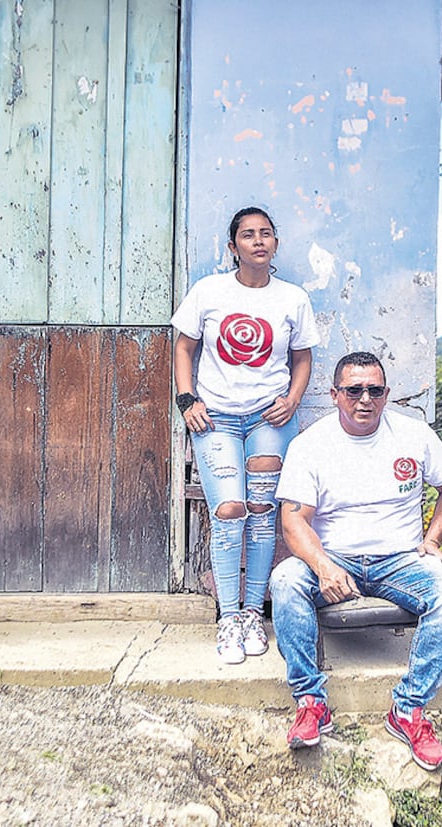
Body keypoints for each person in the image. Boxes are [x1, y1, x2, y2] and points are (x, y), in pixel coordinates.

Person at [270, 351, 442, 771]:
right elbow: (293, 520)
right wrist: (323, 566)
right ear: (335, 394)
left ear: (386, 394)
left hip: (400, 559)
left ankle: (409, 710)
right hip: (335, 556)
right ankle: (310, 703)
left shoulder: (414, 436)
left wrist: (432, 541)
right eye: (354, 390)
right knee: (286, 581)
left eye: (374, 390)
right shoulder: (311, 445)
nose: (365, 399)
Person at [171, 206, 319, 665]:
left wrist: (293, 400)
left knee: (260, 513)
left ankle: (255, 613)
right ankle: (227, 618)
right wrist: (187, 400)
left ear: (276, 243)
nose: (258, 241)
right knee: (229, 511)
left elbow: (302, 357)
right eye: (248, 235)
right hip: (216, 418)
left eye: (267, 234)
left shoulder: (292, 298)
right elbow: (183, 347)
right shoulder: (209, 291)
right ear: (232, 246)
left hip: (269, 421)